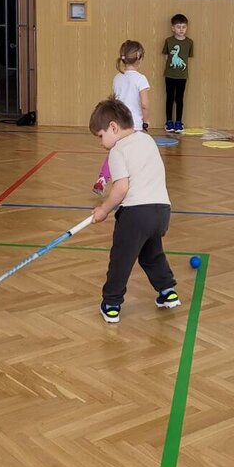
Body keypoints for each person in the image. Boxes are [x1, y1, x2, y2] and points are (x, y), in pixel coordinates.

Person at [88, 97, 181, 323]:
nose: (101, 143)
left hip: (135, 215)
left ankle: (111, 304)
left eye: (100, 136)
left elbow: (121, 188)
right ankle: (167, 291)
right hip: (161, 211)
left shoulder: (117, 151)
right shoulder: (147, 140)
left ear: (113, 127)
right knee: (151, 253)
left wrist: (103, 210)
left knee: (121, 259)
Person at [93, 40, 150, 196]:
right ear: (140, 58)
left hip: (118, 125)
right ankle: (135, 184)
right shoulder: (141, 79)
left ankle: (102, 179)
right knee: (136, 154)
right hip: (134, 125)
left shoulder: (117, 78)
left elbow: (115, 101)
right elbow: (144, 104)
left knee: (115, 153)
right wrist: (146, 122)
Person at [162, 13, 193, 133]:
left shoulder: (189, 42)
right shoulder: (168, 41)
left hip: (182, 76)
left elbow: (187, 58)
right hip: (169, 75)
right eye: (178, 27)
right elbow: (166, 56)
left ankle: (179, 121)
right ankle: (169, 121)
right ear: (173, 28)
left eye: (184, 27)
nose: (181, 29)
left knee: (179, 98)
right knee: (169, 98)